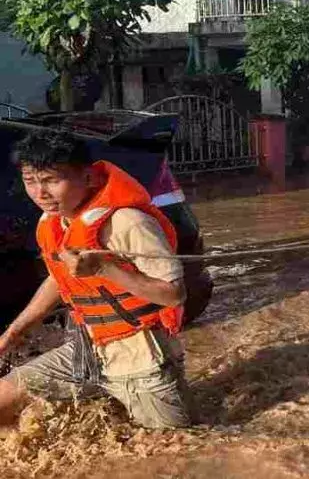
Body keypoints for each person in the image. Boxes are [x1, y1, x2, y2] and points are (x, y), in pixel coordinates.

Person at [0, 131, 190, 428]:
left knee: (170, 451)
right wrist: (14, 331)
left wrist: (104, 269)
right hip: (86, 350)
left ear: (88, 178)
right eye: (31, 181)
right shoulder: (53, 221)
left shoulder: (128, 222)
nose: (40, 193)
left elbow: (174, 294)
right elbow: (58, 279)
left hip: (143, 359)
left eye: (51, 180)